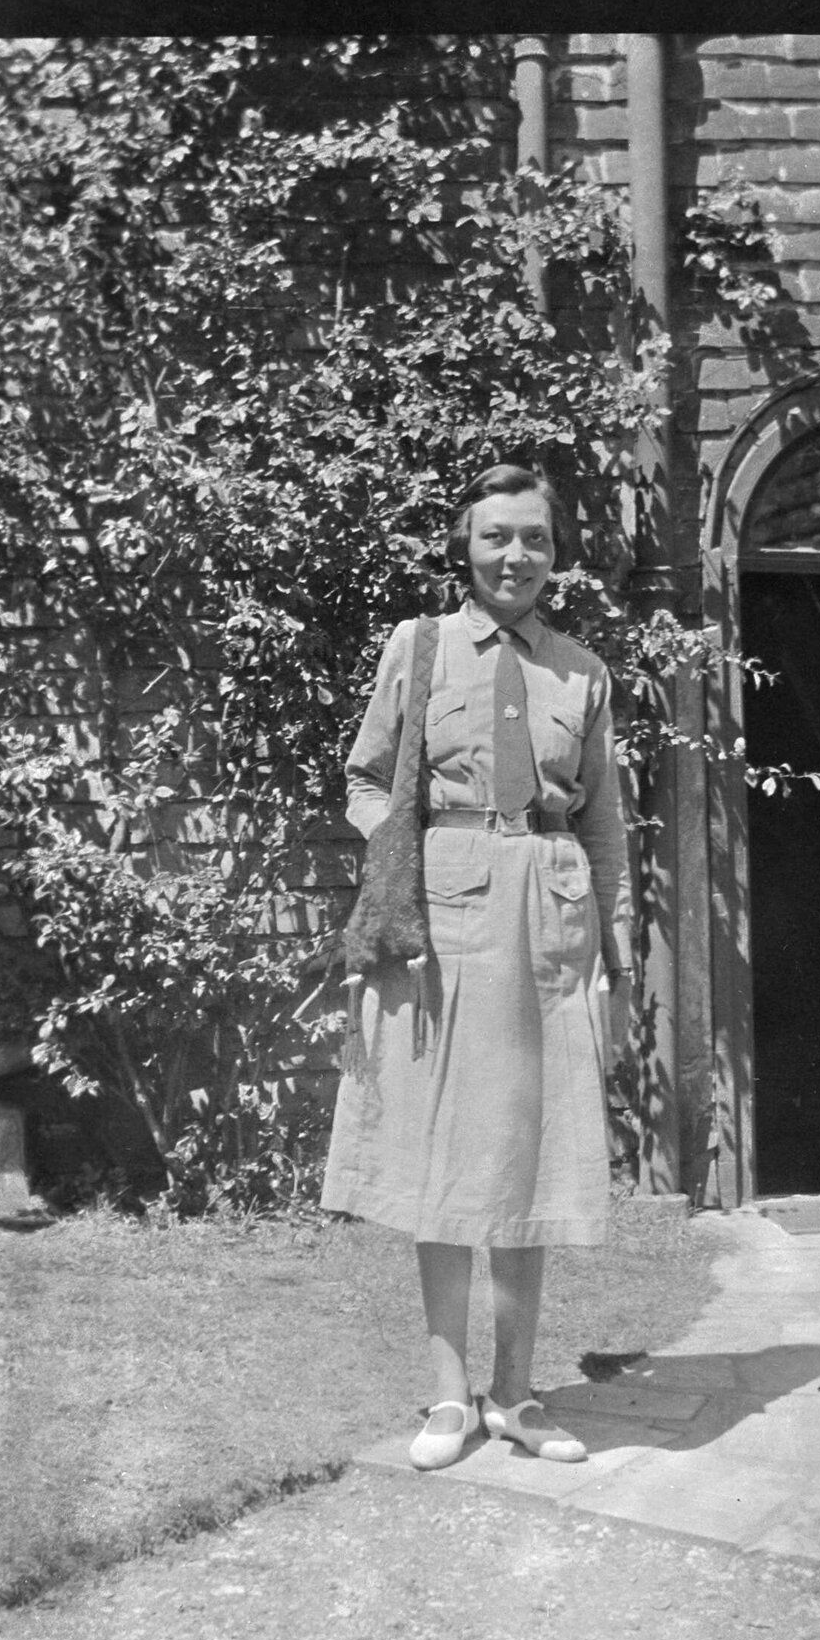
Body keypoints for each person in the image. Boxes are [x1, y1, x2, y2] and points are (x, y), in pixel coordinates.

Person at [320, 463, 634, 1469]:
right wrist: (400, 858)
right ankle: (449, 1397)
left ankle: (514, 1393)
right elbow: (367, 778)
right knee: (442, 1157)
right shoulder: (418, 648)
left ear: (554, 552)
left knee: (529, 1154)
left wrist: (608, 965)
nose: (515, 556)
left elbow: (605, 825)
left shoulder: (581, 671)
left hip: (547, 912)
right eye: (496, 536)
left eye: (534, 538)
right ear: (466, 546)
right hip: (441, 917)